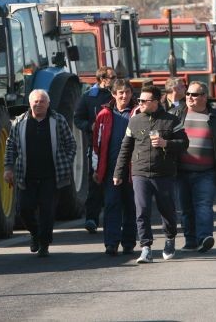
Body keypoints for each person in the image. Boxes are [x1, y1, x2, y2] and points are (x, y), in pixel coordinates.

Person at [113, 85, 189, 264]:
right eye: (139, 100)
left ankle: (170, 239)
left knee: (167, 210)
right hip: (140, 172)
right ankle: (146, 248)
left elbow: (184, 143)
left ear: (155, 101)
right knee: (142, 210)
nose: (140, 103)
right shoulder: (134, 121)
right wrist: (118, 172)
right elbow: (125, 148)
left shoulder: (171, 120)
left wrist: (165, 143)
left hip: (164, 173)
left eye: (144, 101)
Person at [4, 89, 76, 257]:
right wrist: (8, 167)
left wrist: (67, 162)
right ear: (30, 103)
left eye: (42, 101)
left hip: (51, 176)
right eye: (35, 101)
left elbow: (71, 144)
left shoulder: (58, 120)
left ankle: (44, 244)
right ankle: (35, 234)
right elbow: (10, 145)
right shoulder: (19, 122)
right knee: (23, 209)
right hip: (26, 175)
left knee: (47, 211)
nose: (38, 104)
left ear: (48, 104)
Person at [170, 81, 216, 253]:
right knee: (186, 208)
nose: (190, 97)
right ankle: (190, 240)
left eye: (194, 94)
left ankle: (204, 237)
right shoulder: (176, 114)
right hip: (181, 171)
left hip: (207, 172)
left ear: (205, 96)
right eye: (188, 94)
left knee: (203, 205)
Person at [92, 79, 137, 256]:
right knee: (111, 205)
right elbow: (96, 144)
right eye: (120, 93)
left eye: (127, 92)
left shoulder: (137, 113)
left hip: (133, 169)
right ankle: (111, 243)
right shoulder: (103, 115)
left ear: (132, 94)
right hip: (110, 169)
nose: (124, 96)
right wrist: (96, 168)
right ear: (113, 94)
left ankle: (128, 242)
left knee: (131, 206)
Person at [74, 66, 116, 233]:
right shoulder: (88, 98)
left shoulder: (118, 95)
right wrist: (90, 126)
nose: (114, 79)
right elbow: (78, 119)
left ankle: (114, 218)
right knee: (95, 182)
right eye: (112, 77)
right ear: (102, 79)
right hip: (96, 147)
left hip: (115, 145)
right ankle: (91, 218)